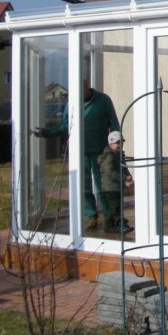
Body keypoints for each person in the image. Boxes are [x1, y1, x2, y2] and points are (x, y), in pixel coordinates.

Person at [32, 79, 120, 231]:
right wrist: (45, 132)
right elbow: (65, 126)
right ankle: (91, 215)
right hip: (80, 152)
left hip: (101, 152)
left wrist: (115, 141)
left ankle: (109, 217)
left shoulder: (103, 100)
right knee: (84, 185)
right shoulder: (72, 103)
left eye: (81, 89)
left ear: (86, 87)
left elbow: (113, 122)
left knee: (103, 185)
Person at [98, 130, 133, 234]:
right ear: (110, 143)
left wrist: (128, 176)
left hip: (117, 186)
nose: (120, 145)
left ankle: (108, 226)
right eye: (118, 143)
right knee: (116, 207)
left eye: (122, 142)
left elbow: (124, 167)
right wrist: (124, 179)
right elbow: (110, 173)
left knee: (112, 208)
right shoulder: (108, 156)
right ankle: (121, 225)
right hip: (110, 187)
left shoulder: (119, 154)